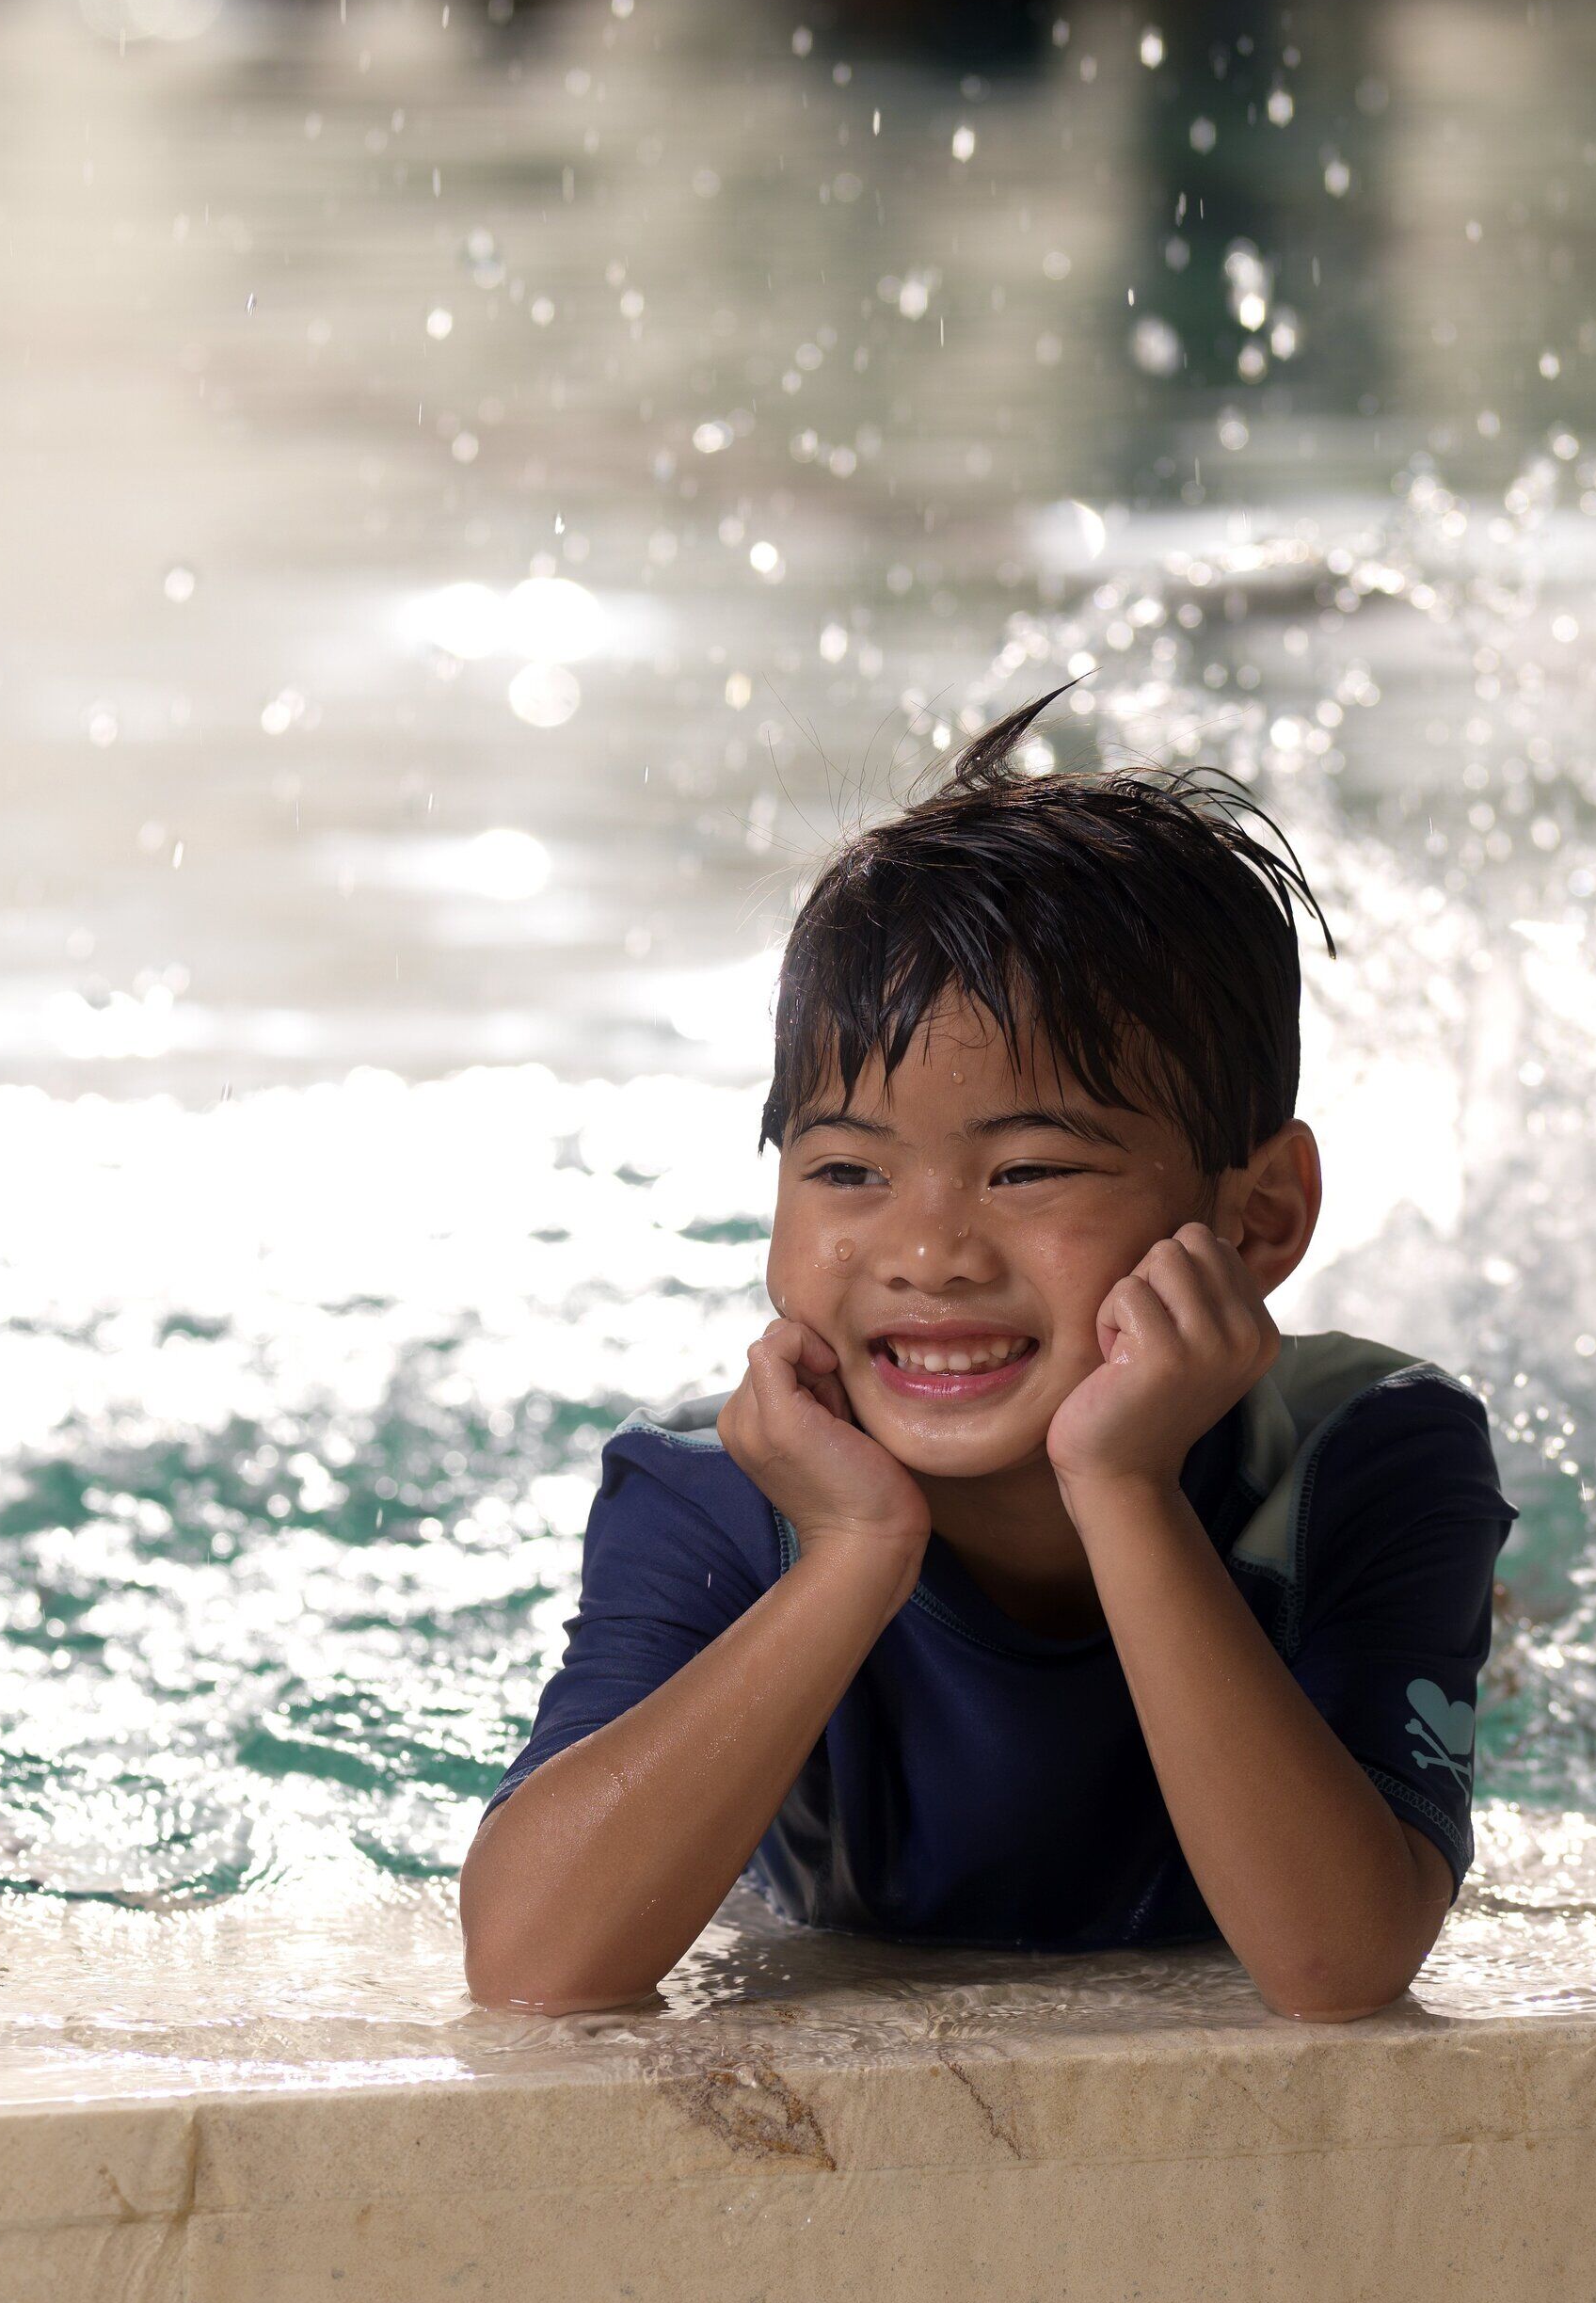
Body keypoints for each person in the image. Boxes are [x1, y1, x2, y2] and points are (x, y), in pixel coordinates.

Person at [459, 694, 1511, 2020]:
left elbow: (1338, 1966)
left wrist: (1123, 1488)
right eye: (847, 1170)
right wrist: (853, 1554)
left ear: (1258, 1219)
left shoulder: (1367, 1455)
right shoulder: (714, 1488)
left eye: (1027, 1169)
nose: (930, 1252)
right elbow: (531, 1967)